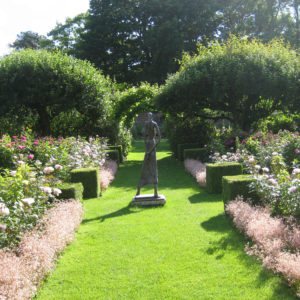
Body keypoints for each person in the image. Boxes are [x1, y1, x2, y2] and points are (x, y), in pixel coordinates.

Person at [136, 112, 161, 197]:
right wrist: (149, 149)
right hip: (150, 146)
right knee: (148, 167)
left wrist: (149, 150)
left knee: (152, 167)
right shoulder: (152, 124)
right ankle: (140, 189)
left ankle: (155, 192)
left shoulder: (150, 124)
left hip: (150, 147)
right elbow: (158, 138)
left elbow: (156, 138)